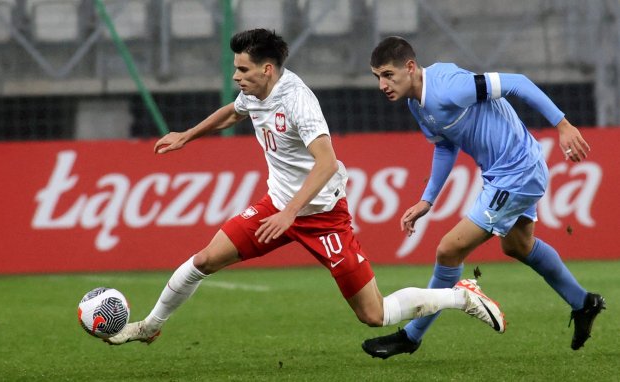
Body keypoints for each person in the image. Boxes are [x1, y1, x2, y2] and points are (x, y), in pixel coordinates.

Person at [106, 29, 506, 348]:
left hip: (324, 217)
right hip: (276, 207)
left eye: (242, 70)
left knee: (374, 314)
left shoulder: (298, 101)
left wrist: (291, 213)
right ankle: (149, 326)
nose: (235, 77)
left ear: (267, 70)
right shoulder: (254, 93)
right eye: (235, 68)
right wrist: (187, 135)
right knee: (204, 260)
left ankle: (461, 295)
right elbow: (233, 112)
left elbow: (327, 162)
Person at [361, 36, 606, 359]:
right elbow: (445, 144)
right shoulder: (415, 103)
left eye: (388, 75)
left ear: (410, 67)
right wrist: (427, 200)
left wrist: (561, 124)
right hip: (504, 171)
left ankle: (411, 335)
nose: (382, 84)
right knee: (518, 245)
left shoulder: (449, 87)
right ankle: (583, 302)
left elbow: (517, 83)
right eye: (377, 76)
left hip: (518, 172)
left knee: (448, 250)